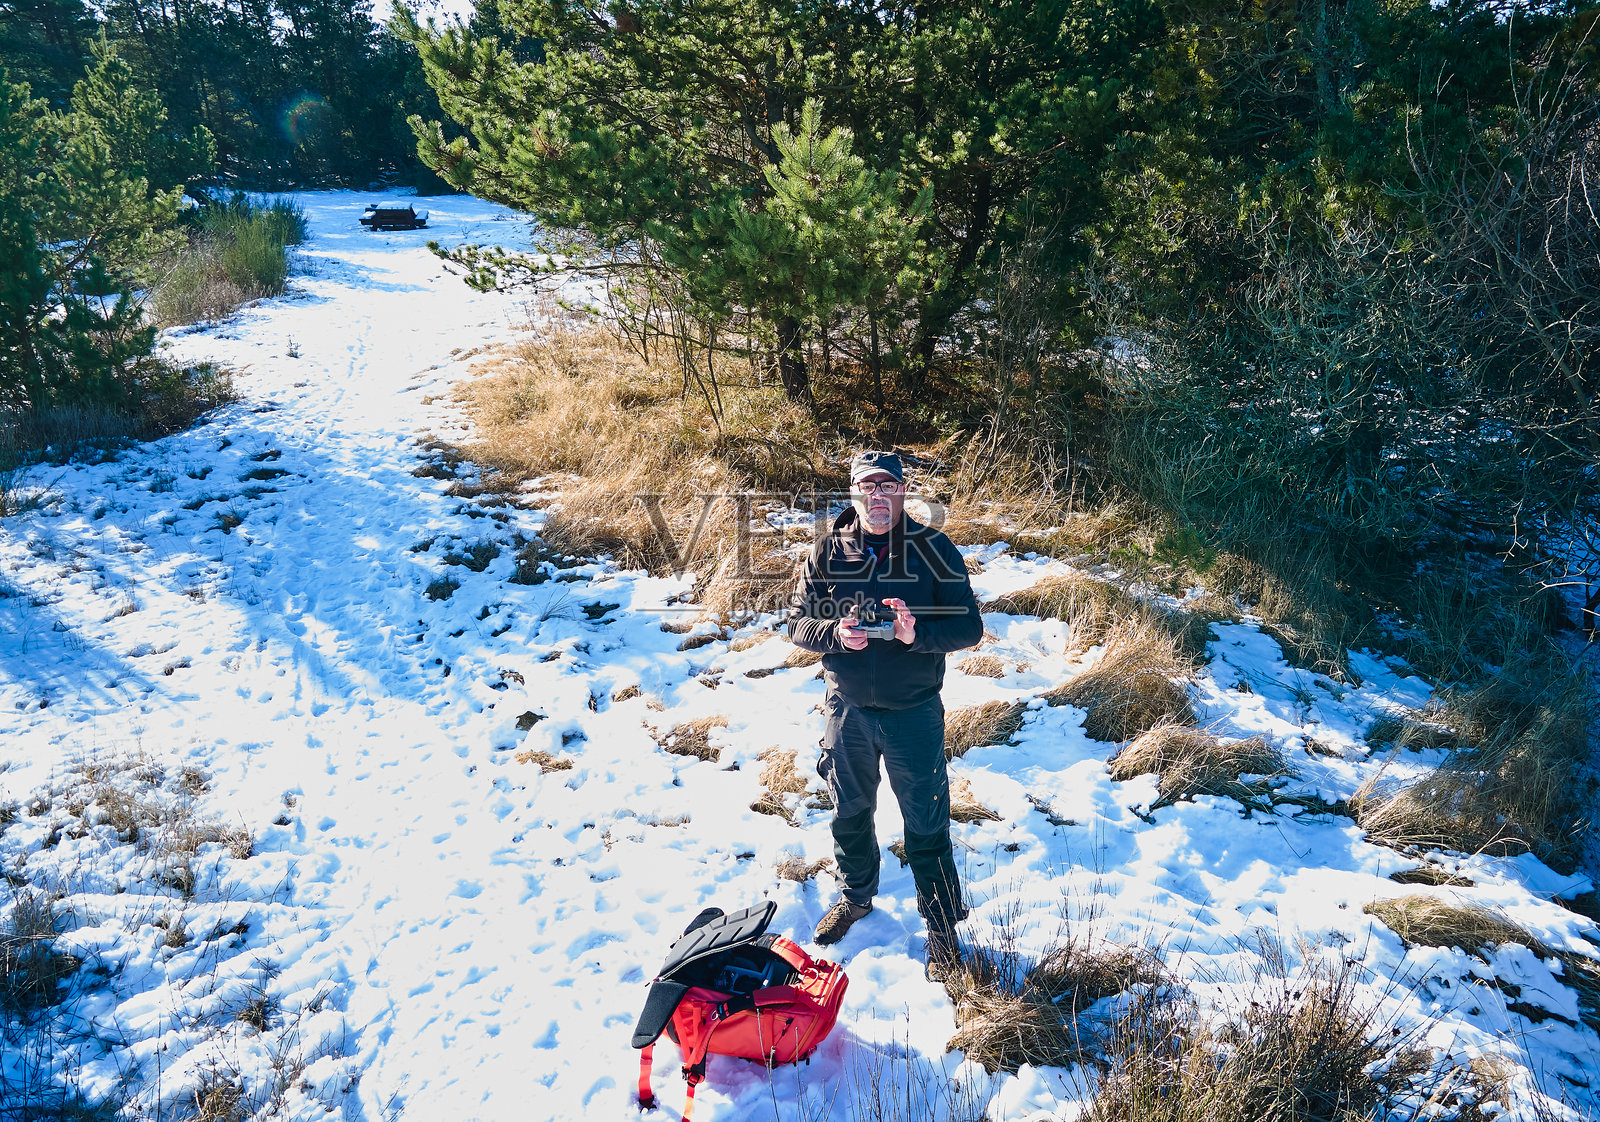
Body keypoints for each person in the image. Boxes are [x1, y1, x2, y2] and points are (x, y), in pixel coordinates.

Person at [786, 450, 982, 981]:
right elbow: (797, 623)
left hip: (913, 712)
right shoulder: (827, 551)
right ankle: (855, 896)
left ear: (902, 491)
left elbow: (969, 628)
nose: (877, 495)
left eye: (887, 485)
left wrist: (917, 635)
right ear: (853, 492)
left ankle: (941, 925)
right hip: (846, 710)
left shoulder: (934, 550)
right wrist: (834, 634)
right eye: (867, 485)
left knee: (926, 821)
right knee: (849, 811)